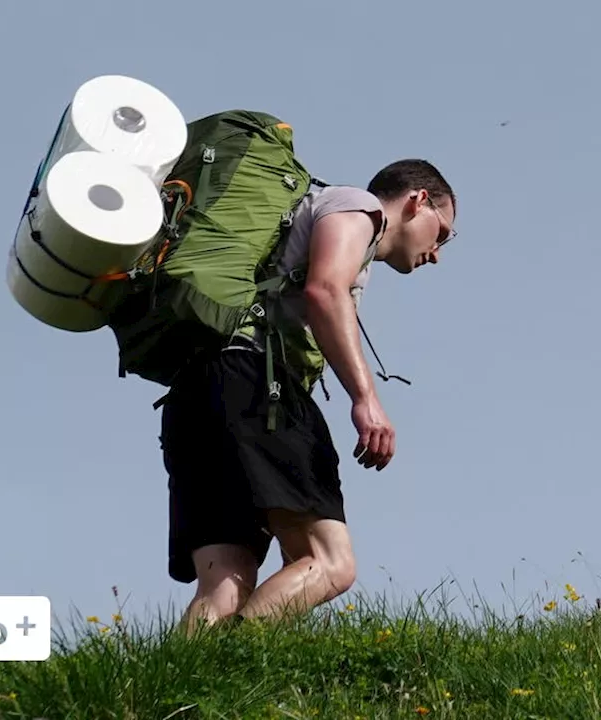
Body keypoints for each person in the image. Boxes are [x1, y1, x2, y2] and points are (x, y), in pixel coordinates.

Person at [159, 159, 457, 628]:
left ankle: (175, 695)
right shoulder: (357, 208)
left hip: (197, 389)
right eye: (442, 233)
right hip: (257, 383)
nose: (437, 252)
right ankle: (231, 668)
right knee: (330, 562)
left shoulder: (321, 213)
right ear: (418, 202)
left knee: (225, 580)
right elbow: (325, 290)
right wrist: (366, 398)